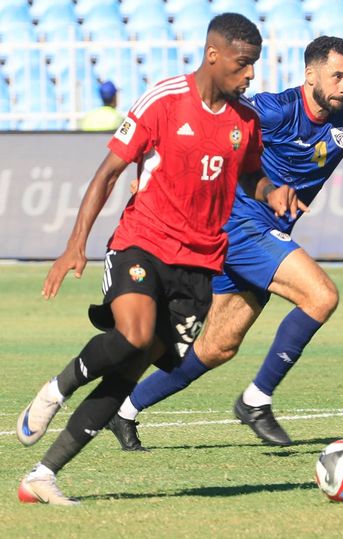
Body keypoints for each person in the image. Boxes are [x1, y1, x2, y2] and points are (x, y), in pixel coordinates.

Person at [105, 35, 343, 451]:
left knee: (217, 347)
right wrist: (161, 166)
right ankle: (256, 401)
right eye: (337, 77)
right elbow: (211, 129)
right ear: (310, 74)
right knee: (321, 296)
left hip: (262, 237)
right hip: (237, 225)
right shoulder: (274, 110)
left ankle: (124, 410)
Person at [16, 13, 269, 505]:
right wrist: (76, 243)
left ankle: (41, 477)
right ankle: (57, 387)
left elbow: (249, 174)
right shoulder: (164, 100)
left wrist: (271, 191)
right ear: (213, 55)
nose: (250, 76)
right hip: (143, 241)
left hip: (198, 264)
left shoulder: (245, 121)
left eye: (254, 66)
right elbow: (109, 172)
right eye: (243, 65)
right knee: (133, 334)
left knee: (132, 367)